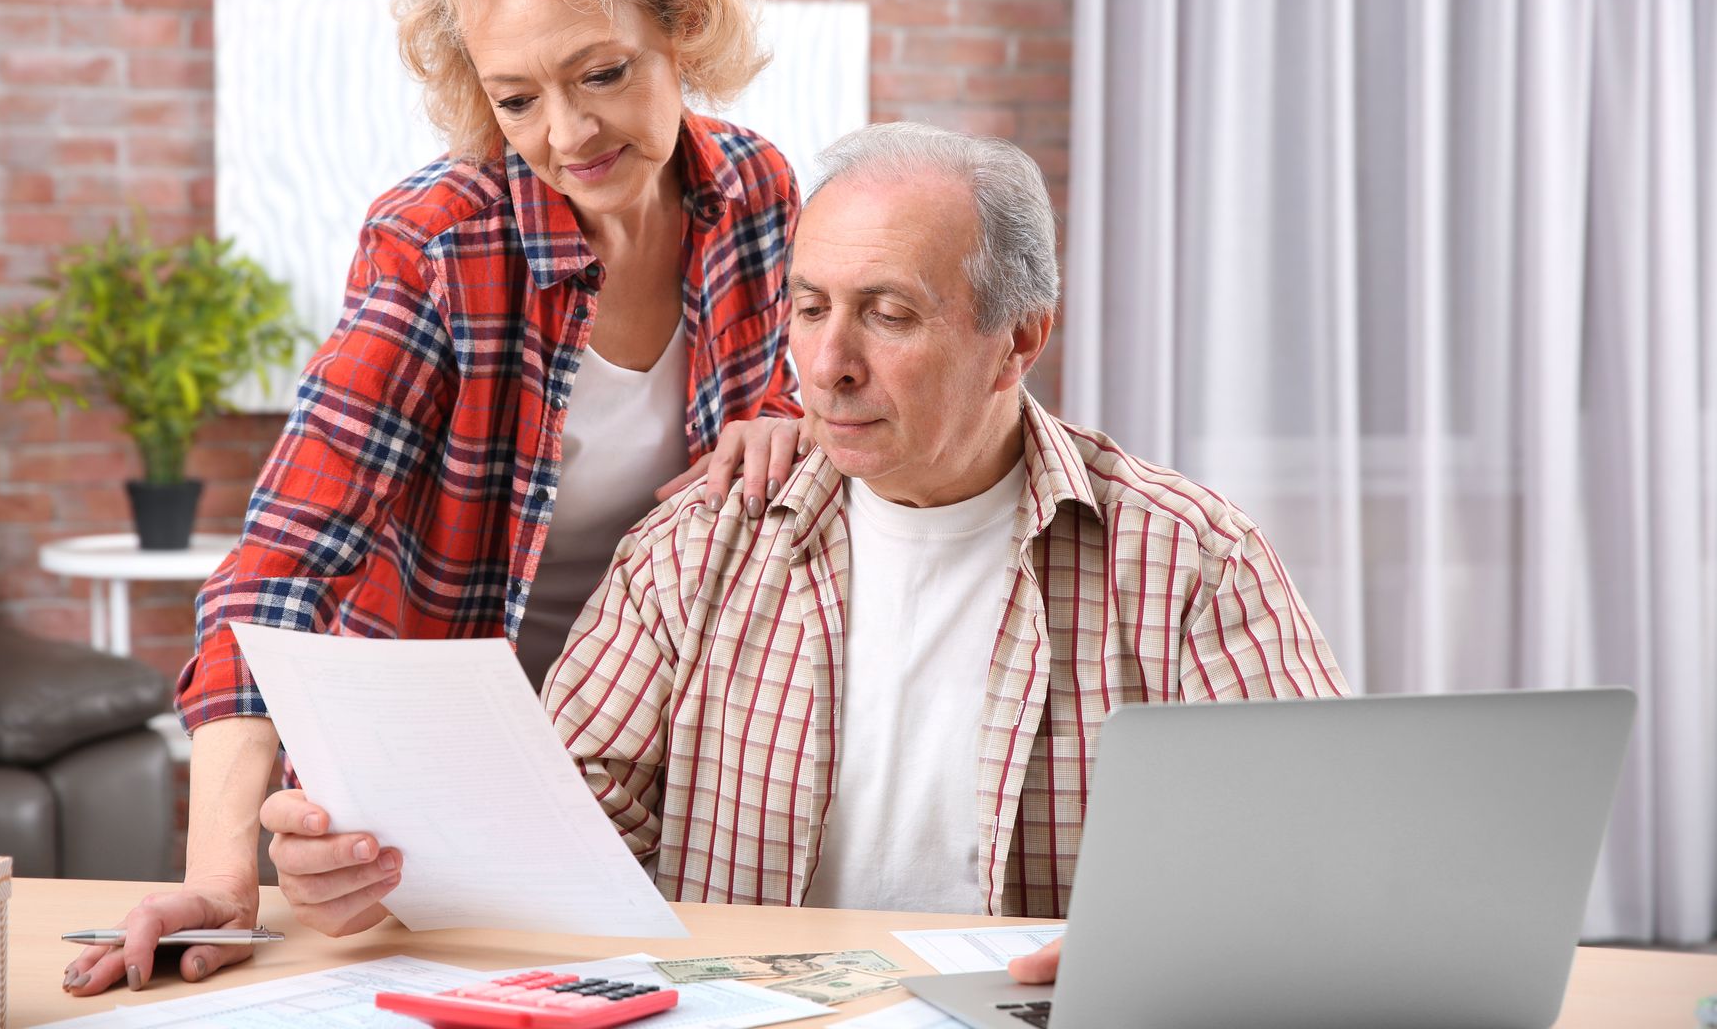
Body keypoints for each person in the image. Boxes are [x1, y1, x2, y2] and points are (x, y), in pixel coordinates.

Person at [257, 124, 1350, 949]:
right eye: (811, 307)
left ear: (1017, 341)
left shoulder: (1189, 561)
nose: (824, 368)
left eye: (889, 314)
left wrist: (1143, 959)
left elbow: (1323, 858)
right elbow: (561, 836)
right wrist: (380, 870)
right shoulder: (701, 539)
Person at [66, 0, 805, 997]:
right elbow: (277, 576)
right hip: (447, 783)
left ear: (683, 24)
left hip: (667, 762)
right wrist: (221, 876)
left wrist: (783, 411)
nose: (567, 136)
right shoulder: (439, 245)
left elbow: (780, 403)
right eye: (518, 97)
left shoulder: (752, 192)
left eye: (602, 73)